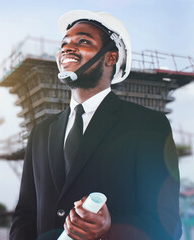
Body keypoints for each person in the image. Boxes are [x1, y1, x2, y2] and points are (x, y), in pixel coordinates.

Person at [10, 10, 181, 240]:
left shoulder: (148, 126)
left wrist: (109, 229)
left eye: (83, 41)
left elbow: (167, 223)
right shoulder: (41, 132)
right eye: (64, 44)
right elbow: (25, 215)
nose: (67, 48)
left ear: (111, 58)